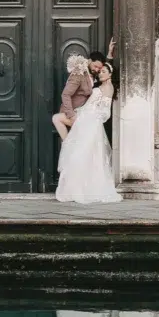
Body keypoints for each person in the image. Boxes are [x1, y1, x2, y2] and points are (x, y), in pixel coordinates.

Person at [55, 62, 122, 204]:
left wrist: (89, 116)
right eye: (100, 71)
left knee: (82, 155)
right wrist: (109, 55)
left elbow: (105, 113)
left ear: (110, 74)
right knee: (59, 122)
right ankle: (73, 188)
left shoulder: (108, 88)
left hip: (90, 124)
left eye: (104, 71)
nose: (101, 73)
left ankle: (82, 190)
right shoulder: (99, 84)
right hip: (82, 118)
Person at [52, 37, 116, 141]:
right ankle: (66, 144)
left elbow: (106, 71)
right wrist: (71, 115)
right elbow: (66, 95)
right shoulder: (79, 73)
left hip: (86, 116)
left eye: (99, 69)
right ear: (89, 61)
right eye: (95, 66)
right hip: (73, 113)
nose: (97, 70)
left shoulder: (95, 73)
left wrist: (109, 53)